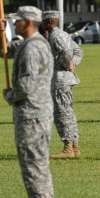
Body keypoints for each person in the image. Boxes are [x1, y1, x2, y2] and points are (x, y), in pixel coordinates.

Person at [0, 6, 56, 198]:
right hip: (33, 113)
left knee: (34, 162)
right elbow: (3, 52)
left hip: (33, 113)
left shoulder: (33, 48)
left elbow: (26, 85)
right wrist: (0, 33)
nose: (14, 23)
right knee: (34, 161)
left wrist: (10, 96)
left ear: (28, 22)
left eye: (17, 20)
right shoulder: (29, 44)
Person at [41, 11, 83, 159]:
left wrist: (68, 64)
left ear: (50, 22)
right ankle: (75, 146)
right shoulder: (64, 34)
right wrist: (73, 63)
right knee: (68, 113)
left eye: (44, 21)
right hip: (66, 79)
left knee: (62, 114)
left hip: (60, 79)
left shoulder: (55, 35)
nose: (42, 24)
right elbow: (78, 50)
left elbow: (66, 52)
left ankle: (68, 148)